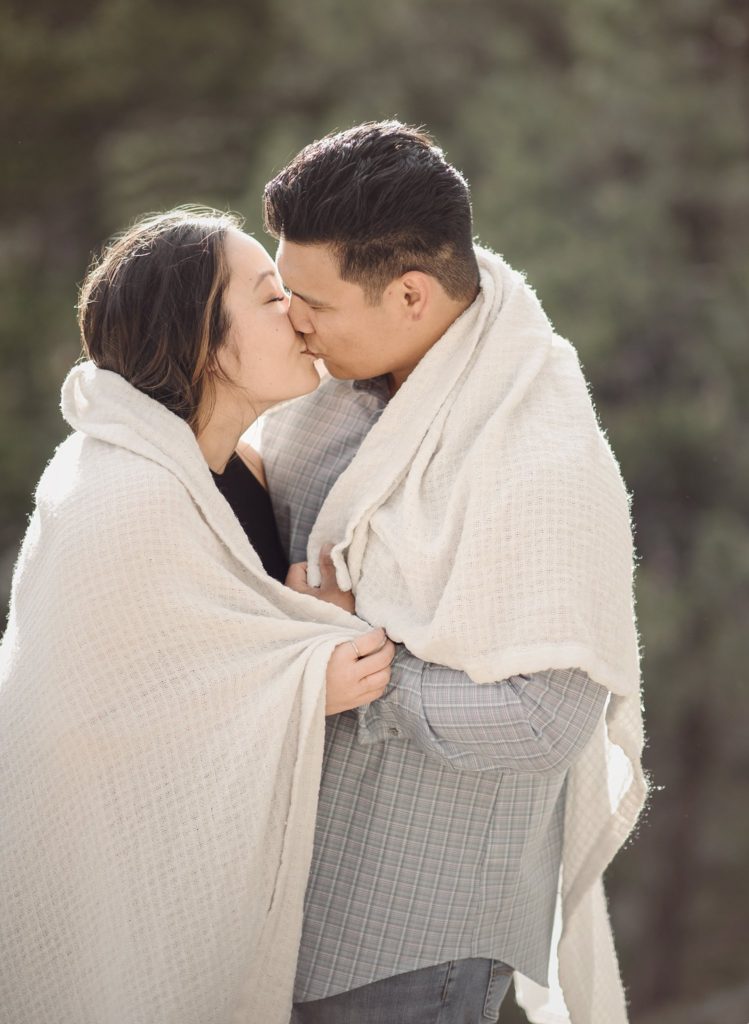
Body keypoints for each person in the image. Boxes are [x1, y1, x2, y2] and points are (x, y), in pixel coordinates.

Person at [260, 123, 647, 1024]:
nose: (294, 321)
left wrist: (358, 669)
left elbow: (550, 715)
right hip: (286, 893)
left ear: (409, 294)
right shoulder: (339, 386)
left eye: (312, 301)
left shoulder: (540, 455)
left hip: (413, 932)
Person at [0, 206, 395, 1024]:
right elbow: (81, 725)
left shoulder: (236, 469)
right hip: (106, 886)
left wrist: (298, 632)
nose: (296, 312)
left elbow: (215, 642)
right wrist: (301, 682)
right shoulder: (118, 495)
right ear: (204, 340)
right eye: (267, 296)